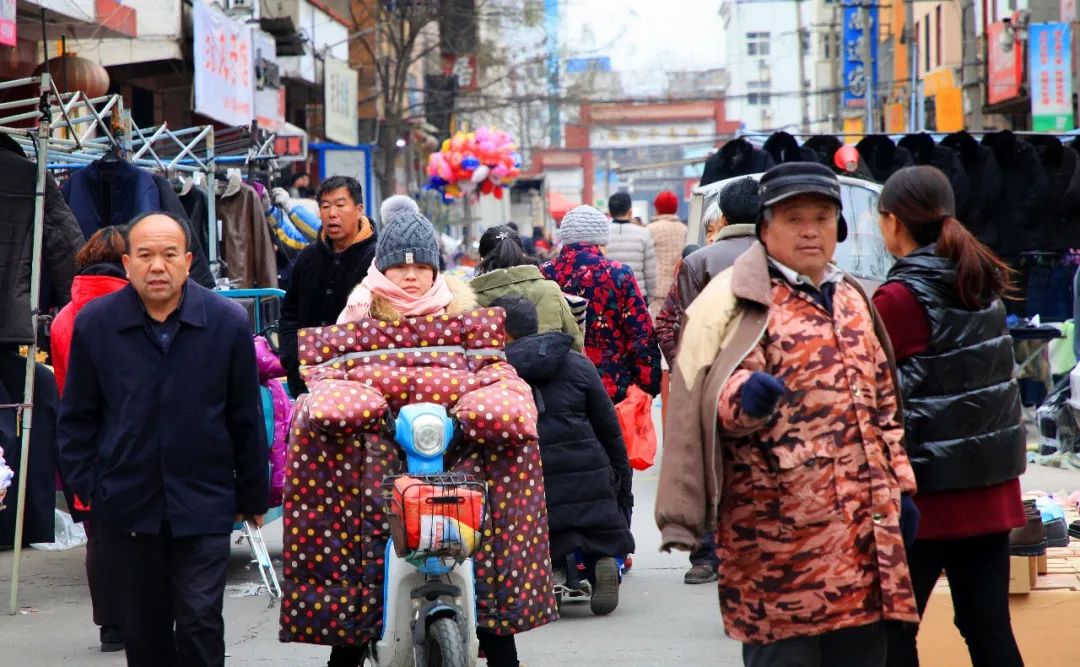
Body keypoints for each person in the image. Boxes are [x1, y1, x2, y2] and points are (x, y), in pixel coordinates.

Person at [655, 163, 919, 666]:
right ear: (765, 228)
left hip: (864, 547)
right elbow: (710, 390)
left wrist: (900, 487)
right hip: (779, 554)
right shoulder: (735, 299)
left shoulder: (853, 296)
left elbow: (885, 405)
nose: (809, 230)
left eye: (822, 217)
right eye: (794, 217)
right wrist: (743, 397)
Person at [279, 210, 555, 667]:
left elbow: (494, 371)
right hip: (376, 463)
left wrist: (490, 403)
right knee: (355, 556)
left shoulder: (465, 315)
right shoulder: (358, 314)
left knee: (498, 505)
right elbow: (329, 377)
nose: (410, 276)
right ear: (382, 267)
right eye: (400, 266)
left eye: (421, 266)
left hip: (454, 453)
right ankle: (346, 644)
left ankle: (500, 639)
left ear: (435, 269)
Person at [58, 212, 269, 667]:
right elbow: (77, 416)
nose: (158, 266)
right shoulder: (97, 323)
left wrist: (252, 494)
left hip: (204, 500)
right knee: (145, 630)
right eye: (146, 256)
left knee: (199, 620)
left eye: (169, 255)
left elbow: (245, 419)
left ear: (188, 261)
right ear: (128, 263)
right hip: (128, 504)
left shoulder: (226, 322)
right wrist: (90, 484)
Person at [873, 166, 1026, 667]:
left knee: (894, 634)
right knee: (987, 629)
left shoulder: (898, 298)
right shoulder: (981, 280)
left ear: (893, 222)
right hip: (991, 492)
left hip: (930, 498)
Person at [498, 295, 634, 615]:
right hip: (590, 470)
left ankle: (554, 572)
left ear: (501, 333)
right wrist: (619, 474)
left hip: (536, 476)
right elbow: (608, 427)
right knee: (593, 522)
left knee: (547, 525)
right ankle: (602, 561)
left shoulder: (497, 373)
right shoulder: (577, 363)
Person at [654, 176, 760, 586]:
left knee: (708, 464)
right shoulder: (780, 260)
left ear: (725, 217)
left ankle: (705, 556)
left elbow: (671, 323)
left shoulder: (698, 262)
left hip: (710, 380)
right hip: (767, 380)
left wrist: (684, 368)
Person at [48, 226, 129, 652]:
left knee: (99, 536)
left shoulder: (64, 317)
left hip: (81, 439)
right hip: (131, 438)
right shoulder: (132, 310)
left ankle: (110, 626)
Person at [541, 205, 661, 403]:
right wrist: (648, 382)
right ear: (600, 241)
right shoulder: (618, 273)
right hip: (612, 386)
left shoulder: (545, 273)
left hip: (558, 386)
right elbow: (640, 333)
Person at [278, 175, 377, 395]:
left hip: (360, 381)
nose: (332, 214)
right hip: (306, 378)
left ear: (359, 208)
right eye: (325, 206)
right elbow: (289, 313)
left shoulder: (377, 258)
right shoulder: (308, 257)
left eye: (341, 205)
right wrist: (292, 358)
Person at [470, 225, 583, 350]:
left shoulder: (470, 301)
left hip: (495, 369)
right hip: (548, 368)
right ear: (522, 253)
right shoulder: (550, 290)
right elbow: (576, 342)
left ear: (481, 258)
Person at [605, 192, 657, 303]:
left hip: (609, 295)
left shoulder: (603, 234)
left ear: (610, 213)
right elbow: (650, 271)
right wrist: (651, 298)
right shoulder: (644, 234)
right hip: (637, 295)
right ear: (630, 212)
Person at [646, 190, 687, 315]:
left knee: (657, 325)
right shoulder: (684, 229)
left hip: (657, 289)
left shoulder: (651, 229)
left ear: (657, 208)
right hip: (679, 288)